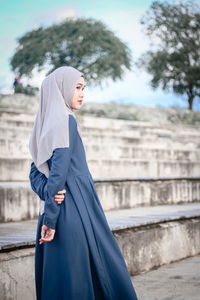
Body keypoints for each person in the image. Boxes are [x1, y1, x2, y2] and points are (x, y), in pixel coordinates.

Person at [29, 66, 138, 300]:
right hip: (73, 210)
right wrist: (51, 214)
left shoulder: (44, 127)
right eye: (77, 88)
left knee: (63, 277)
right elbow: (56, 175)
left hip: (57, 208)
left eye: (83, 88)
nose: (82, 94)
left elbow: (35, 174)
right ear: (61, 89)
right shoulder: (66, 121)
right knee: (92, 272)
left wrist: (47, 195)